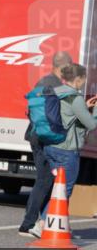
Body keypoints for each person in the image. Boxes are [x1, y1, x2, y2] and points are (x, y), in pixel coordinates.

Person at [18, 51, 73, 237]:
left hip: (36, 135)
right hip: (45, 138)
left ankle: (37, 221)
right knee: (45, 180)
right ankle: (28, 224)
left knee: (45, 180)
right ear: (63, 67)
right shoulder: (55, 86)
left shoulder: (42, 82)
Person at [41, 63, 97, 213]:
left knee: (54, 188)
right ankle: (46, 223)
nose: (85, 81)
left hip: (50, 147)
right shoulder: (75, 98)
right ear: (77, 78)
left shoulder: (55, 92)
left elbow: (67, 115)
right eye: (84, 78)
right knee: (65, 190)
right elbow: (91, 125)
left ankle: (44, 221)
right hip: (67, 150)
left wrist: (85, 107)